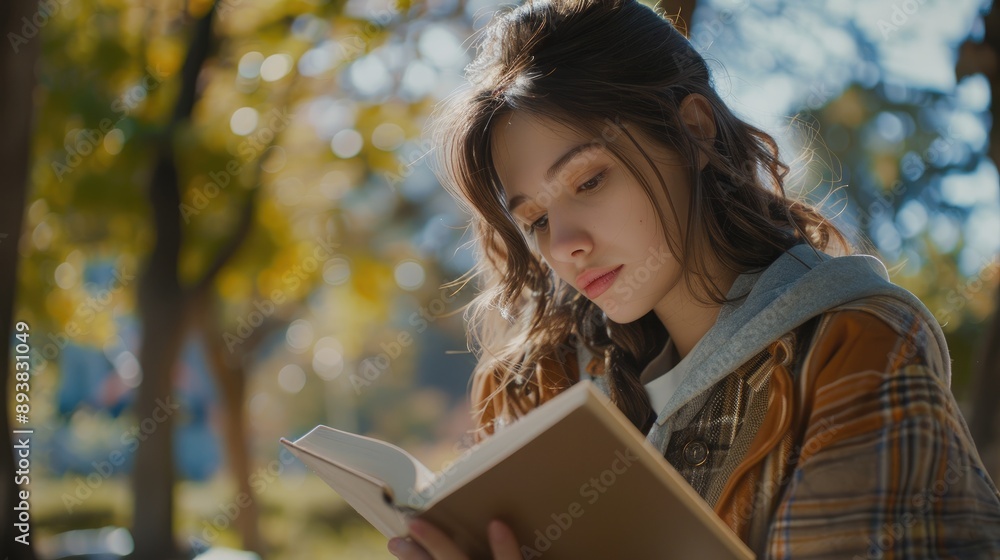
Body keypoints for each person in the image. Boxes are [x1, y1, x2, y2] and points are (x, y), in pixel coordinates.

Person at [387, 0, 1000, 557]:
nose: (566, 245)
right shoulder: (547, 389)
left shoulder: (855, 347)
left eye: (590, 181)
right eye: (538, 219)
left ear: (695, 130)